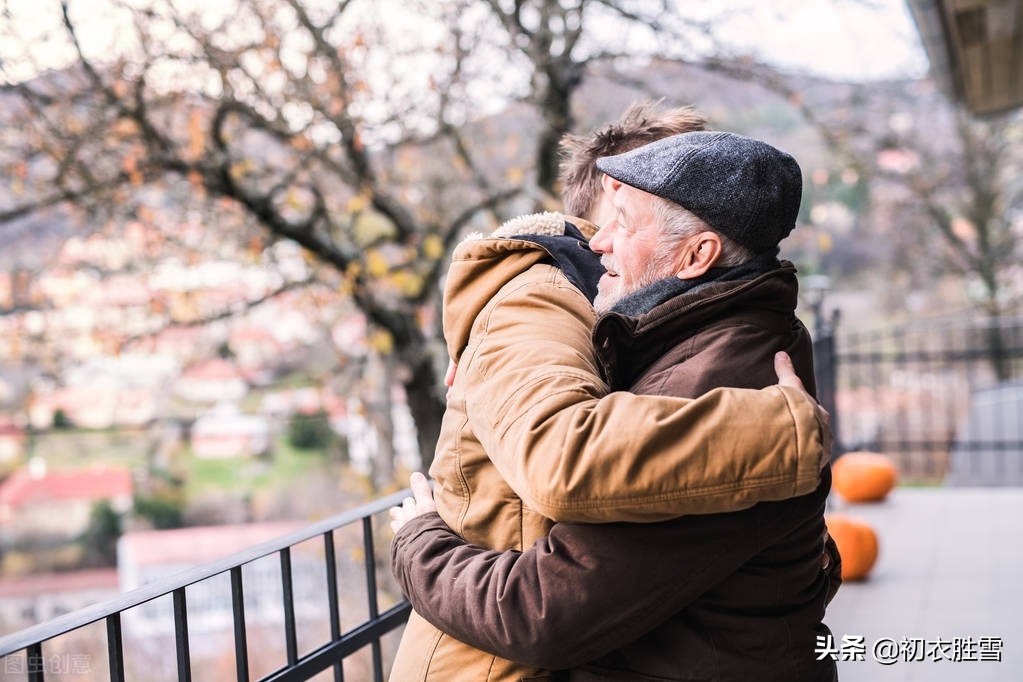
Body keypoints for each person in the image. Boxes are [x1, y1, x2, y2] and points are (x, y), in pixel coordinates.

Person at [387, 106, 836, 681]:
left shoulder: (706, 388)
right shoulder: (701, 341)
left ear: (696, 255)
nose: (600, 245)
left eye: (623, 222)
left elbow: (539, 612)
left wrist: (417, 540)